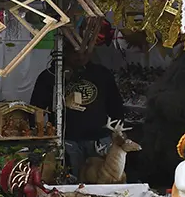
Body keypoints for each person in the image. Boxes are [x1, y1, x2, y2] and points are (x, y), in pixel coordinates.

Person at [30, 48, 124, 179]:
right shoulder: (50, 76)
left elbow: (115, 105)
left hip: (99, 140)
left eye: (85, 52)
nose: (80, 56)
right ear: (64, 50)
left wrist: (118, 131)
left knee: (102, 179)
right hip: (67, 141)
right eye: (75, 52)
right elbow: (36, 109)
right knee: (72, 181)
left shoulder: (102, 74)